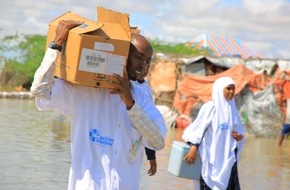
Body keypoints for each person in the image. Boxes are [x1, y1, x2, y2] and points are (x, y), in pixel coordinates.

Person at [30, 20, 167, 190]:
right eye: (139, 57)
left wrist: (129, 102)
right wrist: (57, 44)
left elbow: (158, 141)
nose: (144, 66)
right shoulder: (85, 92)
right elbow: (40, 91)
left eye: (148, 61)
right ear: (123, 55)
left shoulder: (141, 98)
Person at [182, 76, 245, 190]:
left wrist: (240, 137)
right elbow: (197, 129)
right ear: (220, 89)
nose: (231, 92)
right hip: (210, 158)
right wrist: (193, 147)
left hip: (227, 160)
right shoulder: (210, 107)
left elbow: (240, 131)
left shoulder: (233, 110)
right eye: (228, 88)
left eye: (233, 89)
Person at [132, 62, 157, 176]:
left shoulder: (146, 91)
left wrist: (151, 157)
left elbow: (148, 124)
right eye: (139, 60)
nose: (143, 66)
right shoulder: (125, 84)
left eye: (147, 62)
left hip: (133, 146)